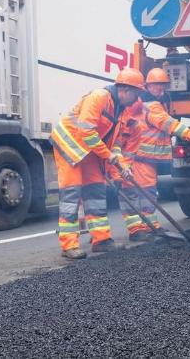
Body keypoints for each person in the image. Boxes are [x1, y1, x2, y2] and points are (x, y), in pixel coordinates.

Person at [49, 68, 145, 259]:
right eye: (136, 93)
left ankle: (102, 240)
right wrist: (109, 156)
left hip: (90, 150)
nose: (137, 99)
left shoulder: (121, 111)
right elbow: (86, 132)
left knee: (96, 192)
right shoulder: (99, 97)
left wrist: (120, 164)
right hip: (70, 147)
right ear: (124, 89)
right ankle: (69, 245)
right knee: (71, 195)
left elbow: (115, 143)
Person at [113, 68, 190, 240]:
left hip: (146, 159)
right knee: (134, 192)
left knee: (148, 192)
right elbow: (171, 125)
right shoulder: (151, 106)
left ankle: (150, 225)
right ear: (147, 86)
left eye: (163, 86)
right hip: (137, 157)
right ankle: (136, 230)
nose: (161, 90)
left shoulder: (154, 103)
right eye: (157, 86)